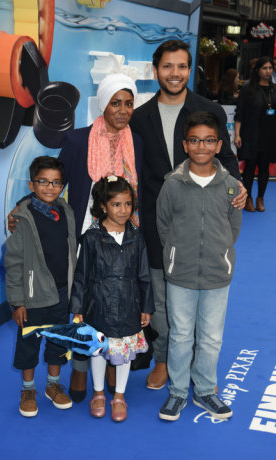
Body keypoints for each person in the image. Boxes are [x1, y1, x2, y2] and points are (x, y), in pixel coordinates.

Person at [8, 74, 144, 403]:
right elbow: (53, 184)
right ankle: (81, 370)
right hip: (84, 238)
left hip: (122, 236)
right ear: (103, 104)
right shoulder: (77, 139)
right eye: (115, 103)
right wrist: (20, 208)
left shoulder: (136, 141)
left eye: (128, 103)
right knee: (86, 305)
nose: (122, 110)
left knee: (117, 299)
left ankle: (112, 367)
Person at [129, 39, 247, 391]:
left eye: (182, 66)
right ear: (156, 71)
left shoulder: (208, 109)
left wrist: (237, 186)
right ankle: (164, 359)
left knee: (203, 298)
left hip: (204, 221)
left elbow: (225, 157)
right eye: (168, 66)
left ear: (189, 69)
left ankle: (194, 359)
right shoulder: (138, 118)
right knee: (163, 299)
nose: (175, 73)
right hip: (155, 221)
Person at [156, 112, 242, 421]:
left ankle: (205, 391)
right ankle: (178, 392)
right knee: (180, 335)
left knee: (210, 337)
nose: (201, 146)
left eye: (208, 140)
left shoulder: (232, 187)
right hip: (180, 275)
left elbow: (233, 228)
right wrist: (177, 255)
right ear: (185, 144)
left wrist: (220, 255)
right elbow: (164, 226)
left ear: (219, 145)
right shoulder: (173, 185)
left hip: (218, 275)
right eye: (194, 140)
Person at [71, 176, 155, 421]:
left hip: (129, 306)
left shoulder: (137, 237)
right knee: (98, 352)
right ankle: (98, 393)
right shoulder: (91, 238)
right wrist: (78, 309)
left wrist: (146, 307)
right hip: (98, 307)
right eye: (116, 204)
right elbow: (81, 276)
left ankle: (119, 395)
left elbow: (144, 276)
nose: (123, 210)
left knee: (123, 354)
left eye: (128, 204)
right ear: (103, 206)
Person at [4, 156, 77, 417]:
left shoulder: (65, 210)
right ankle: (28, 389)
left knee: (58, 340)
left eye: (56, 182)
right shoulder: (22, 217)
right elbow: (13, 263)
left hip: (60, 292)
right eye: (43, 181)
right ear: (31, 184)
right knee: (29, 343)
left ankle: (53, 386)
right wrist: (17, 302)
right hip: (33, 296)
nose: (50, 187)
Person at [234, 56, 276, 212]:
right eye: (264, 68)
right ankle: (248, 198)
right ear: (257, 70)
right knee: (250, 167)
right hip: (251, 134)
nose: (267, 71)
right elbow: (239, 114)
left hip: (269, 135)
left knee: (264, 167)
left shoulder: (274, 89)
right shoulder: (248, 88)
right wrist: (237, 135)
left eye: (270, 68)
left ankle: (260, 199)